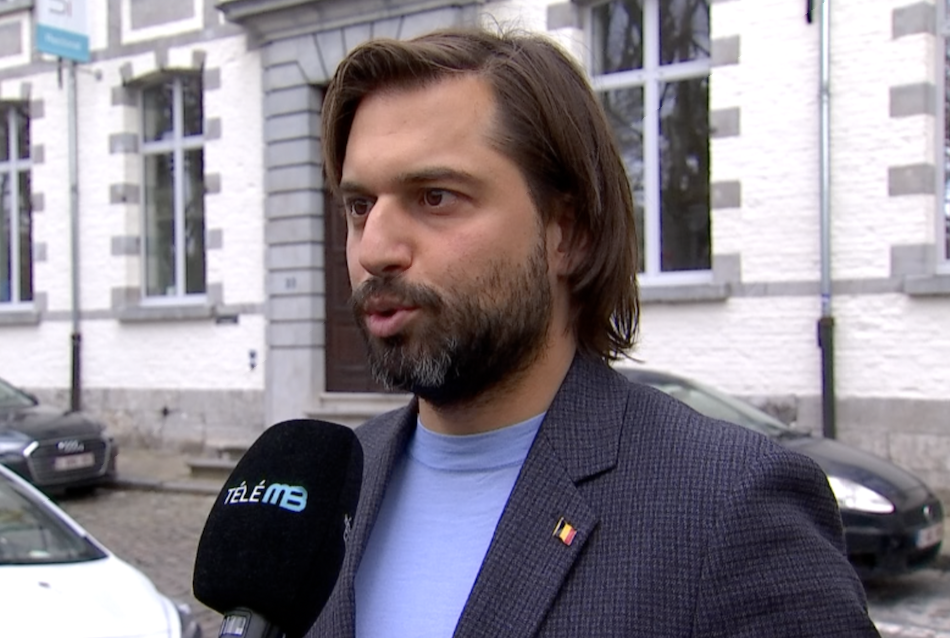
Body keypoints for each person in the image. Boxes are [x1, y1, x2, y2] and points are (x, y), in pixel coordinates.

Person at [308, 27, 879, 638]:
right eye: (361, 206)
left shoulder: (728, 506)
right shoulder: (329, 485)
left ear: (568, 234)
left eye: (436, 197)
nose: (375, 250)